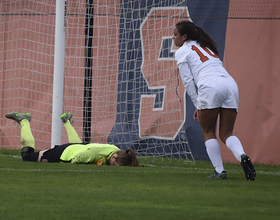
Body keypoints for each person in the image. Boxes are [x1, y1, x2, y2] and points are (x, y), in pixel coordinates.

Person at [173, 21, 256, 180]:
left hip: (210, 86)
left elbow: (188, 82)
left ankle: (220, 171)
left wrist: (198, 104)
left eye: (175, 34)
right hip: (230, 84)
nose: (173, 38)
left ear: (184, 37)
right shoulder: (206, 46)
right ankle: (242, 156)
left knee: (208, 132)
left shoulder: (182, 51)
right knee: (226, 133)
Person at [5, 112, 140, 166]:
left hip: (79, 146)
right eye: (113, 165)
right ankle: (24, 121)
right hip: (64, 153)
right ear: (114, 157)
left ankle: (66, 121)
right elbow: (76, 160)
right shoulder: (94, 154)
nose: (111, 167)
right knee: (27, 156)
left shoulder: (115, 149)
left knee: (78, 145)